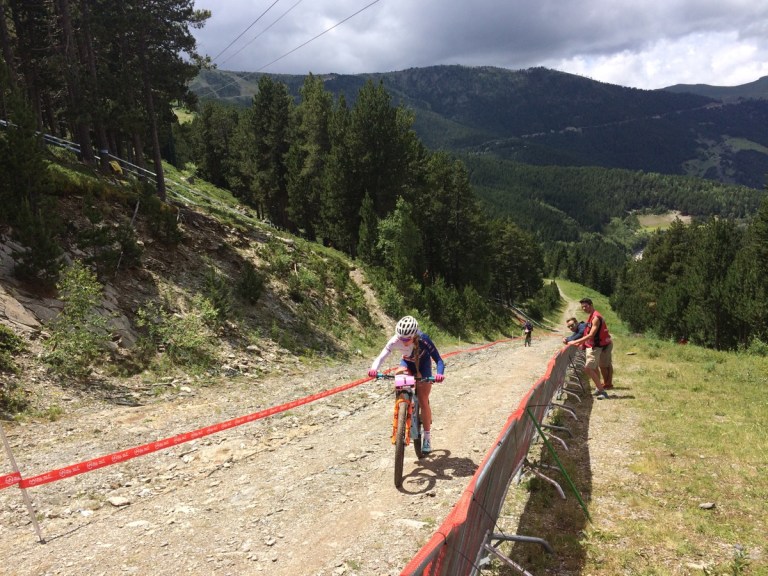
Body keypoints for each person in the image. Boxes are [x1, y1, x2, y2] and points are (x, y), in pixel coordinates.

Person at [367, 315, 445, 453]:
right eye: (401, 338)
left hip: (424, 366)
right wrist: (374, 369)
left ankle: (427, 437)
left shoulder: (424, 340)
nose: (403, 342)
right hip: (407, 364)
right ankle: (403, 407)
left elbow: (438, 359)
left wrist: (439, 374)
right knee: (400, 378)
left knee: (423, 399)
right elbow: (382, 356)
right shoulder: (395, 340)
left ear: (414, 335)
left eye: (406, 339)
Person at [567, 298, 614, 399]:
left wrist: (575, 342)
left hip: (601, 345)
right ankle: (599, 387)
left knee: (590, 368)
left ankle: (603, 391)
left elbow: (591, 335)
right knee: (594, 367)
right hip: (597, 345)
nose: (584, 308)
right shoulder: (591, 316)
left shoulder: (596, 317)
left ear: (591, 305)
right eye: (582, 307)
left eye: (586, 306)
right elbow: (586, 332)